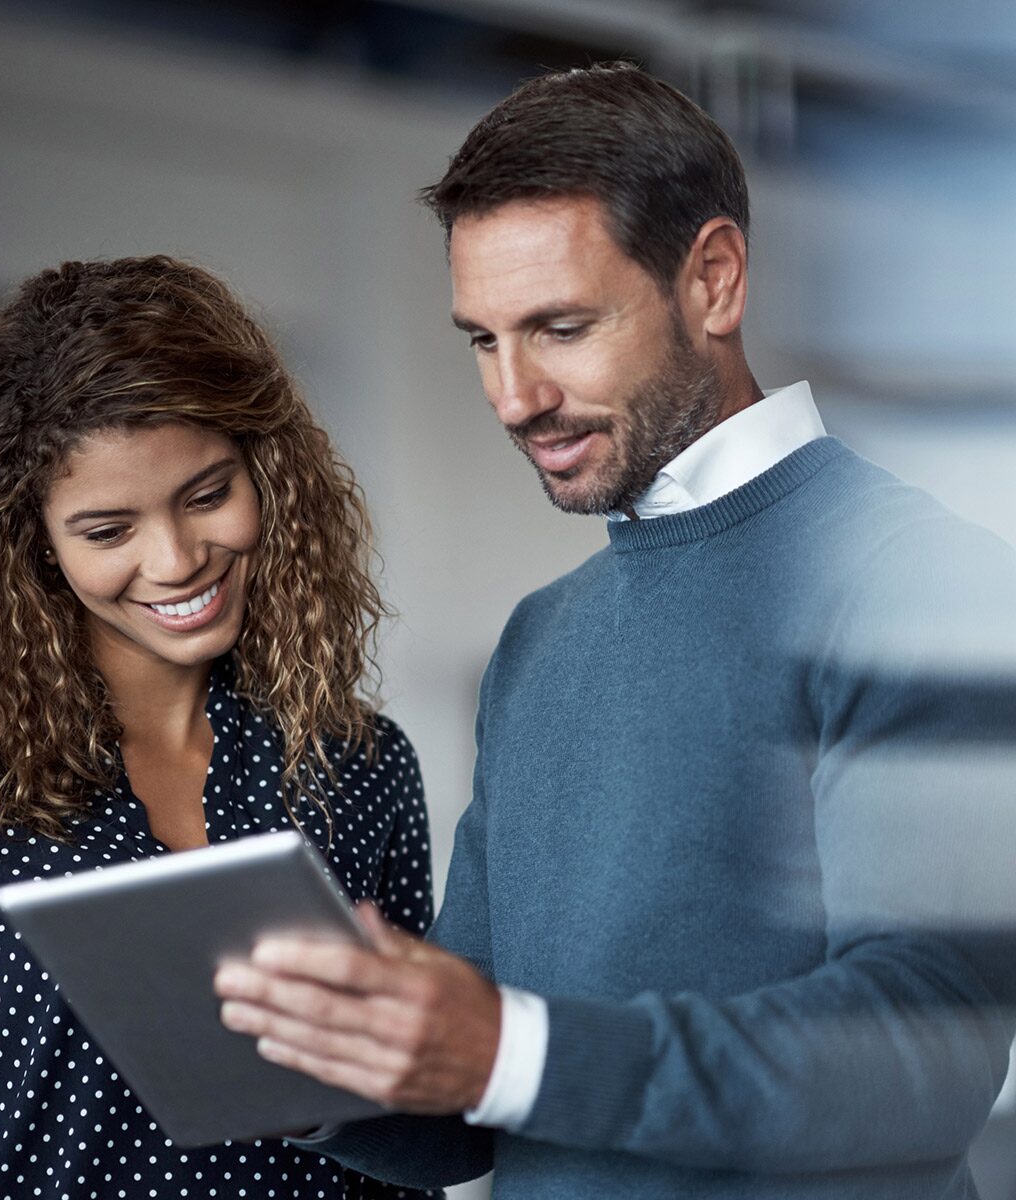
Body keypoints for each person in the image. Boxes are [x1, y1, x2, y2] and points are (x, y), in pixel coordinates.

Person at [213, 62, 1016, 1199]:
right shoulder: (542, 642)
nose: (514, 395)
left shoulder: (920, 582)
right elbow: (485, 1104)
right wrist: (312, 1064)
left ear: (714, 282)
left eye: (561, 327)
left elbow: (918, 1054)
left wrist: (510, 1050)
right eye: (482, 340)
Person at [0, 256, 442, 1200]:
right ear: (32, 543)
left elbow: (411, 1137)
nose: (178, 559)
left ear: (268, 470)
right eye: (108, 531)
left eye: (206, 495)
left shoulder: (358, 764)